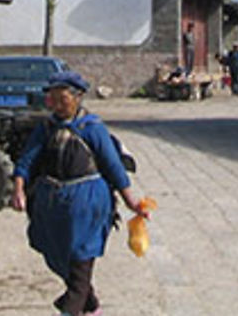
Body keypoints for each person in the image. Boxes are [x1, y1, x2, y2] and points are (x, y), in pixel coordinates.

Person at [10, 71, 150, 316]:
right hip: (53, 208)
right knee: (62, 261)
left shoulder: (92, 128)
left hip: (88, 208)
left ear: (77, 98)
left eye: (63, 99)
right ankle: (92, 306)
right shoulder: (46, 128)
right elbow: (26, 161)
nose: (58, 105)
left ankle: (73, 308)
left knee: (80, 264)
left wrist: (132, 202)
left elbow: (113, 167)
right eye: (53, 99)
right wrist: (19, 189)